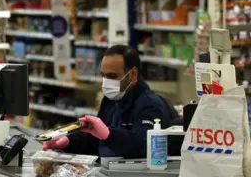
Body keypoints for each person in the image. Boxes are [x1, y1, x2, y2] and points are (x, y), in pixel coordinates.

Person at [43, 45, 171, 158]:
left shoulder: (151, 106)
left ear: (132, 75)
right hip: (106, 172)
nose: (106, 82)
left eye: (112, 76)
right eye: (103, 76)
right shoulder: (111, 101)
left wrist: (109, 134)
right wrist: (68, 141)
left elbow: (142, 145)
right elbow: (96, 143)